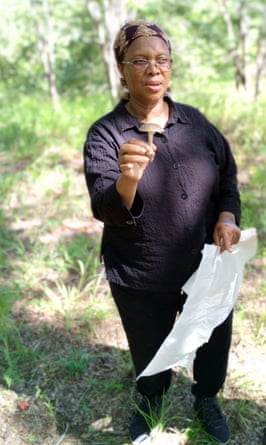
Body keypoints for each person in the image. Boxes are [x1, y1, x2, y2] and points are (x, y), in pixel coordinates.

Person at [83, 20, 241, 445]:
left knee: (211, 336)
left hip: (205, 263)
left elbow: (227, 176)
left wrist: (227, 217)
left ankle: (206, 397)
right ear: (121, 68)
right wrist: (128, 179)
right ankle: (151, 399)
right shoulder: (106, 134)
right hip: (141, 272)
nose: (153, 69)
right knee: (149, 347)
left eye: (161, 60)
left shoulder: (196, 123)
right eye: (140, 60)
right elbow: (104, 207)